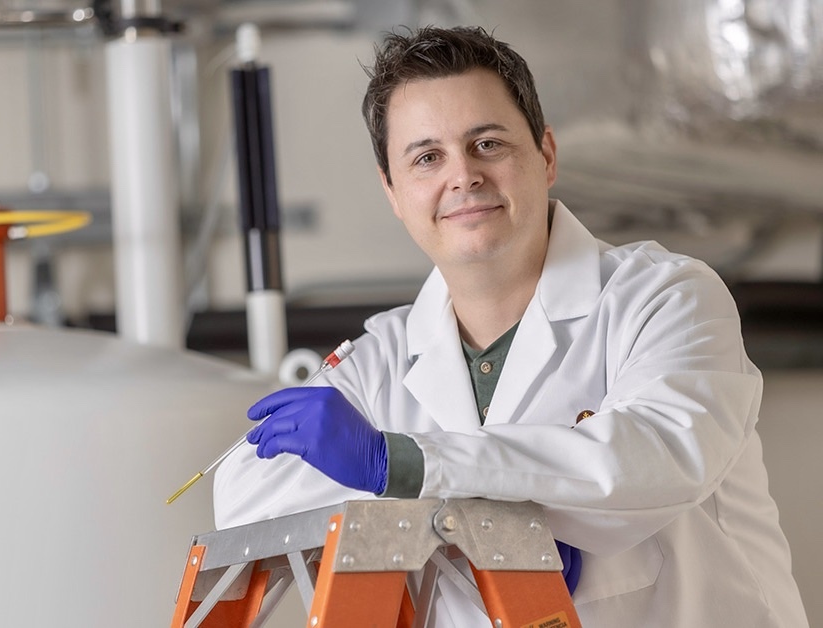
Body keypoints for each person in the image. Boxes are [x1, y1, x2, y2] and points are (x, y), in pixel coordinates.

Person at [214, 26, 808, 627]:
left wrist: (404, 467)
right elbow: (245, 501)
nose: (463, 176)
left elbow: (661, 456)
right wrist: (511, 508)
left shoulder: (665, 298)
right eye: (426, 157)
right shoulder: (380, 361)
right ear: (392, 192)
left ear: (546, 155)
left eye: (488, 144)